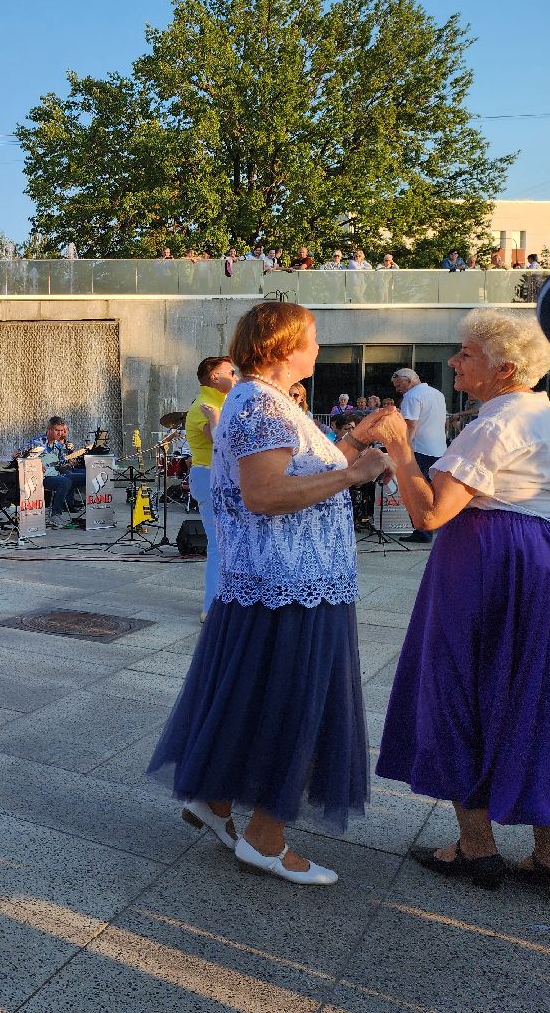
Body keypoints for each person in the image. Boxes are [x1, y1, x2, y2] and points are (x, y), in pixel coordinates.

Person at [146, 302, 394, 886]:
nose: (318, 348)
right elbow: (263, 493)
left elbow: (298, 467)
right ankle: (265, 839)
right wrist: (355, 474)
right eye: (311, 339)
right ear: (283, 346)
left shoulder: (270, 403)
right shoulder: (259, 402)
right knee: (294, 707)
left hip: (288, 582)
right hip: (287, 583)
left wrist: (356, 442)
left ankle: (219, 801)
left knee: (256, 700)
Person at [372, 309, 550, 889]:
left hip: (485, 557)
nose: (454, 361)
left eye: (466, 354)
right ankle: (549, 853)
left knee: (457, 686)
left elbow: (430, 513)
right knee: (534, 691)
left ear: (503, 370)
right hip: (542, 554)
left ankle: (476, 847)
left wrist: (400, 451)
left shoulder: (495, 425)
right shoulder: (548, 417)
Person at [186, 355, 240, 621]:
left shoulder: (223, 402)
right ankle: (212, 607)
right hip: (210, 477)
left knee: (229, 544)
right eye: (230, 371)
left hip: (222, 478)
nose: (235, 375)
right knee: (219, 545)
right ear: (214, 377)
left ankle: (226, 602)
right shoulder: (204, 406)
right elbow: (222, 443)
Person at [390, 367, 449, 543]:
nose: (397, 389)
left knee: (416, 491)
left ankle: (422, 531)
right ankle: (435, 527)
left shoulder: (411, 396)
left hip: (420, 449)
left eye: (399, 385)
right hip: (439, 449)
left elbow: (410, 426)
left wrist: (403, 449)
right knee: (435, 492)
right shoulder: (438, 394)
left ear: (408, 381)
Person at [23, 417, 86, 528]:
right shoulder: (38, 442)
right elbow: (18, 455)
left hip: (56, 474)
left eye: (62, 430)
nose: (60, 433)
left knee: (87, 476)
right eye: (57, 430)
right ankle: (55, 514)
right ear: (49, 429)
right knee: (65, 482)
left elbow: (60, 465)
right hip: (41, 477)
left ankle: (94, 511)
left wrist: (69, 464)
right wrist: (36, 463)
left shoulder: (58, 445)